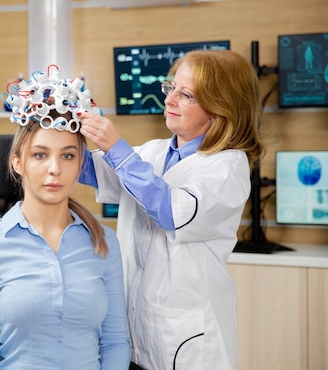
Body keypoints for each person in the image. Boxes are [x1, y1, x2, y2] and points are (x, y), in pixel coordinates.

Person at [77, 49, 265, 370]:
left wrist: (116, 148)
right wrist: (60, 121)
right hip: (136, 327)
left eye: (186, 95)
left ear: (219, 109)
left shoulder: (227, 168)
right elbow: (89, 170)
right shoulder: (153, 152)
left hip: (188, 337)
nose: (170, 100)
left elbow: (171, 211)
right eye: (171, 88)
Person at [0, 67, 131, 370]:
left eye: (67, 155)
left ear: (80, 165)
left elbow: (116, 343)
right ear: (17, 161)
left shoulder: (105, 242)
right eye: (40, 155)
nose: (54, 169)